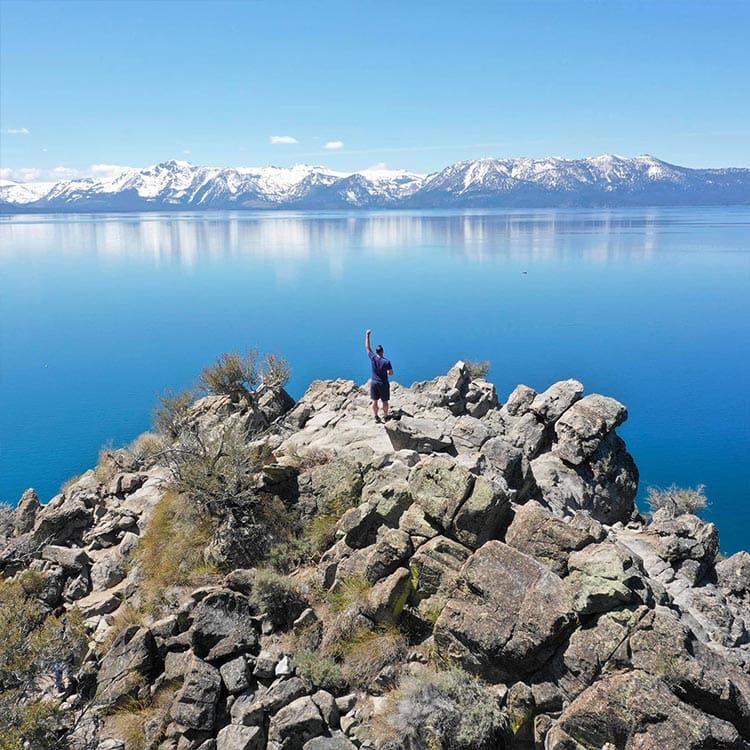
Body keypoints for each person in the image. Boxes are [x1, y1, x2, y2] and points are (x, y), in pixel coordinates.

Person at [365, 329, 393, 423]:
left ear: (376, 352)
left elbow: (368, 347)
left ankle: (376, 416)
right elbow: (391, 372)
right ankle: (385, 416)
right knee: (385, 401)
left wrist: (367, 335)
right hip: (383, 383)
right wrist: (388, 372)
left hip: (374, 382)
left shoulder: (373, 358)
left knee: (375, 401)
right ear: (383, 351)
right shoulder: (386, 361)